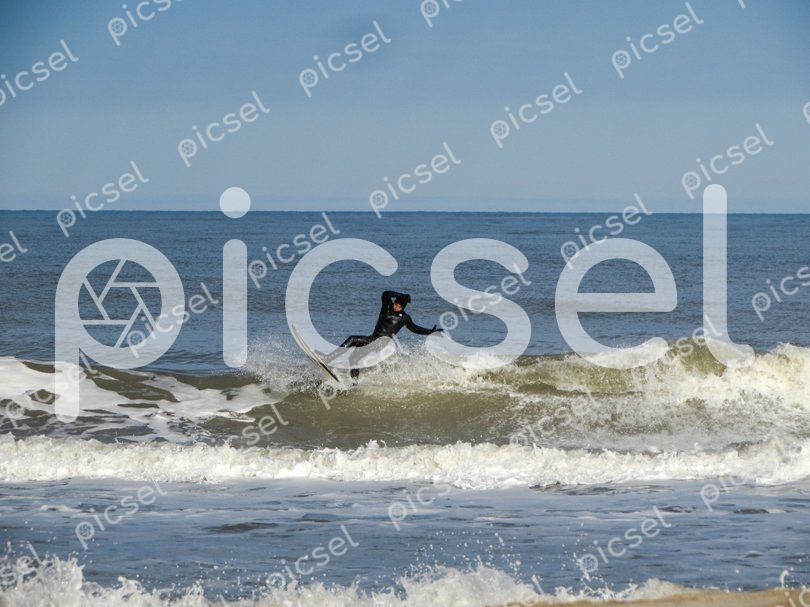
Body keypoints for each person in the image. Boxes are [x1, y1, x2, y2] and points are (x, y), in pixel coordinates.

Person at [329, 290, 443, 378]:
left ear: (403, 307)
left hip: (381, 344)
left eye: (400, 306)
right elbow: (385, 294)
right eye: (396, 304)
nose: (396, 307)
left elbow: (414, 329)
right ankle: (354, 384)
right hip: (373, 339)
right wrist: (401, 294)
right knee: (354, 358)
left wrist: (429, 332)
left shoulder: (404, 318)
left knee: (352, 339)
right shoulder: (387, 307)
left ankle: (328, 358)